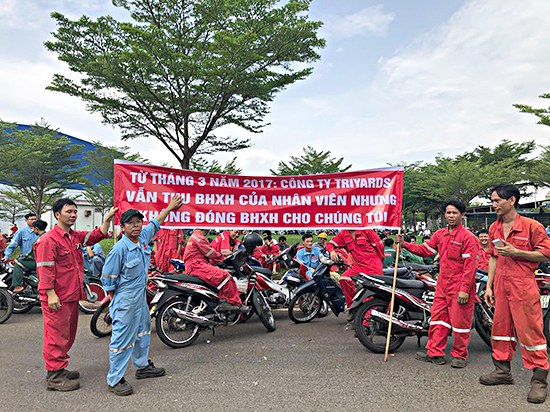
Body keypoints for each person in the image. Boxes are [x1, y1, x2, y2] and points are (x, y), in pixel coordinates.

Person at [101, 196, 183, 396]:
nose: (136, 225)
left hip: (140, 297)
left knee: (143, 332)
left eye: (138, 222)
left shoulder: (143, 239)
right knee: (122, 339)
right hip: (126, 299)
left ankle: (142, 366)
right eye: (131, 223)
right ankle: (115, 380)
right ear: (123, 227)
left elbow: (156, 222)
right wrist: (116, 301)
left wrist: (170, 207)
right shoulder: (119, 249)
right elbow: (108, 279)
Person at [34, 199, 116, 391]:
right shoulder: (48, 240)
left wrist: (107, 219)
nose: (73, 215)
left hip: (71, 294)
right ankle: (54, 376)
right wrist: (50, 293)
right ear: (57, 215)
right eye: (68, 211)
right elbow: (44, 269)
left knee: (67, 334)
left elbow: (95, 236)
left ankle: (59, 368)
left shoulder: (73, 236)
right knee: (56, 336)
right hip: (57, 297)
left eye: (75, 212)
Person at [479, 184, 550, 404]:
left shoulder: (531, 226)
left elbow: (546, 254)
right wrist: (489, 286)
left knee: (530, 332)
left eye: (497, 200)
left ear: (511, 200)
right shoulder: (494, 227)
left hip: (523, 284)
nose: (494, 205)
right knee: (500, 329)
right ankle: (502, 371)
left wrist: (516, 252)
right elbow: (493, 256)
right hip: (501, 284)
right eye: (492, 201)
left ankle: (539, 381)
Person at [396, 200, 479, 368]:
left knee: (460, 324)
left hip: (460, 286)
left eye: (454, 213)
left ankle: (459, 356)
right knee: (438, 320)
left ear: (462, 215)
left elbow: (470, 267)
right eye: (448, 213)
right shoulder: (440, 234)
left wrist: (464, 290)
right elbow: (425, 250)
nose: (451, 216)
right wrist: (405, 244)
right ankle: (435, 353)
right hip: (442, 285)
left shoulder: (468, 238)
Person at [184, 229, 248, 312]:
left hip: (199, 264)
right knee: (225, 276)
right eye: (236, 232)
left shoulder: (197, 236)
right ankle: (234, 303)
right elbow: (218, 253)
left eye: (238, 233)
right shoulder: (201, 238)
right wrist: (221, 255)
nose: (237, 235)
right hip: (198, 266)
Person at [325, 229, 385, 321]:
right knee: (344, 279)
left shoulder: (367, 231)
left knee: (370, 291)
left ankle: (367, 320)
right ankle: (353, 308)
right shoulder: (344, 233)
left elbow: (380, 248)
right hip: (358, 266)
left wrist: (378, 263)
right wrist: (331, 251)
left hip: (373, 265)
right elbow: (329, 244)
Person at [11, 220, 47, 293]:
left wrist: (21, 258)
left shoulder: (40, 240)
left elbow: (31, 254)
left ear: (36, 228)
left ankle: (17, 286)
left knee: (18, 262)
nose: (33, 231)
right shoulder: (46, 236)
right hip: (46, 261)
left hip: (40, 262)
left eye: (33, 228)